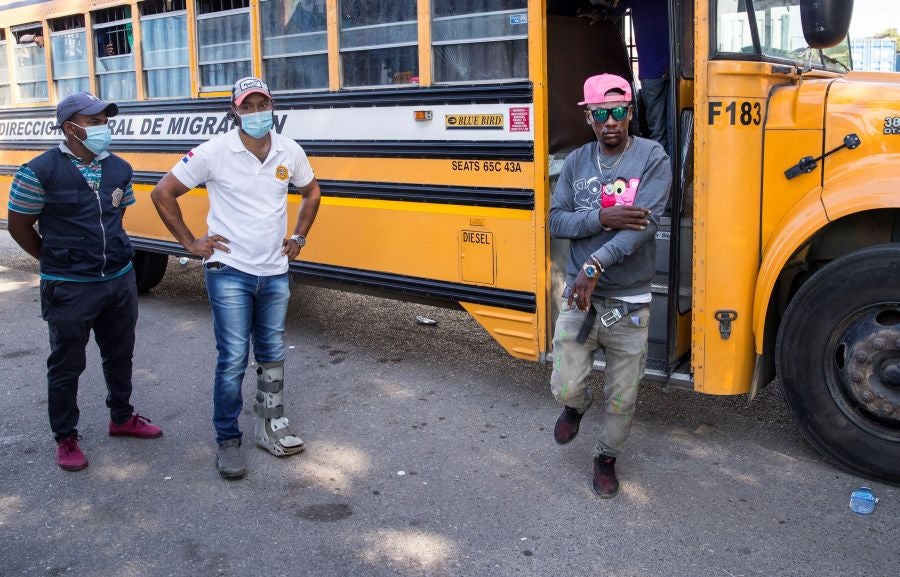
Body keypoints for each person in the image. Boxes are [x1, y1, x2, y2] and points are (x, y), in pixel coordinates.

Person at [150, 77, 321, 480]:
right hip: (229, 271)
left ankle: (269, 426)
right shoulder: (214, 152)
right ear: (235, 111)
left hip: (276, 271)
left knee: (272, 353)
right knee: (232, 360)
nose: (257, 112)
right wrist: (190, 242)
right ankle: (228, 440)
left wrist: (299, 235)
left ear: (273, 106)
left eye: (263, 104)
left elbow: (312, 192)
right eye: (248, 106)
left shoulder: (289, 150)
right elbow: (162, 193)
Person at [6, 92, 164, 472]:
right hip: (69, 285)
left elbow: (115, 217)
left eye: (104, 120)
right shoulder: (38, 171)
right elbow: (19, 226)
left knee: (120, 354)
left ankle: (121, 417)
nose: (102, 128)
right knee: (66, 364)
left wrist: (111, 258)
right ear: (69, 127)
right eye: (92, 121)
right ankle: (66, 436)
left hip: (118, 280)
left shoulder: (120, 168)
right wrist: (54, 259)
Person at [548, 73, 670, 498]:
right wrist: (602, 217)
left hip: (628, 301)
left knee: (622, 398)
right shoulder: (578, 161)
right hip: (580, 299)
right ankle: (575, 405)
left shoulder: (653, 157)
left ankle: (605, 458)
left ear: (630, 112)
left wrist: (596, 261)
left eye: (618, 111)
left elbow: (643, 225)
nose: (611, 122)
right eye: (601, 114)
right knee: (564, 382)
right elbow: (556, 220)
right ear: (589, 118)